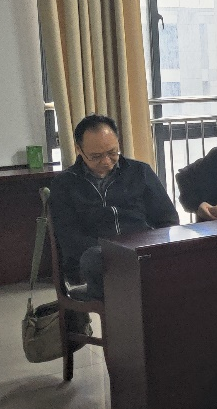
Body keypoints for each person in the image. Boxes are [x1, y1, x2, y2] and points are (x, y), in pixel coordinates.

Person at [48, 114, 179, 300]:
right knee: (96, 260)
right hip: (97, 257)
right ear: (79, 149)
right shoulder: (64, 184)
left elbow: (168, 219)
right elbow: (69, 236)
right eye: (96, 156)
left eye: (112, 152)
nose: (106, 161)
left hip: (141, 250)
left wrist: (149, 248)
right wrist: (116, 253)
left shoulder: (140, 172)